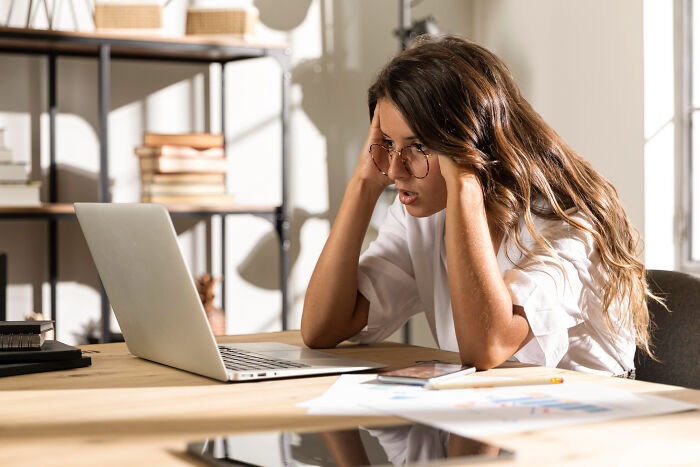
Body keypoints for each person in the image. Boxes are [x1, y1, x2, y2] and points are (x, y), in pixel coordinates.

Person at [301, 34, 657, 379]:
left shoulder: (569, 225)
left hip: (585, 424)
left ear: (471, 145)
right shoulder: (422, 215)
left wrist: (463, 181)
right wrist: (364, 184)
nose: (395, 170)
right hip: (491, 414)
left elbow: (488, 346)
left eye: (420, 145)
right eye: (389, 144)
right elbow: (321, 328)